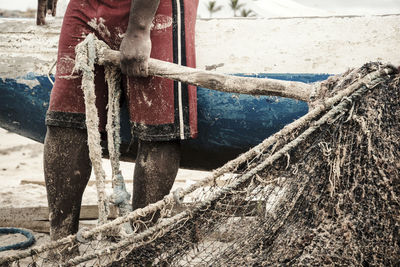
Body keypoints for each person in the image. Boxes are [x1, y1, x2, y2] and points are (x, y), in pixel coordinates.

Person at [44, 0, 199, 241]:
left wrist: (138, 29)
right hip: (87, 5)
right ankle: (60, 244)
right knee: (66, 117)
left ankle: (142, 243)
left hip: (157, 7)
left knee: (157, 126)